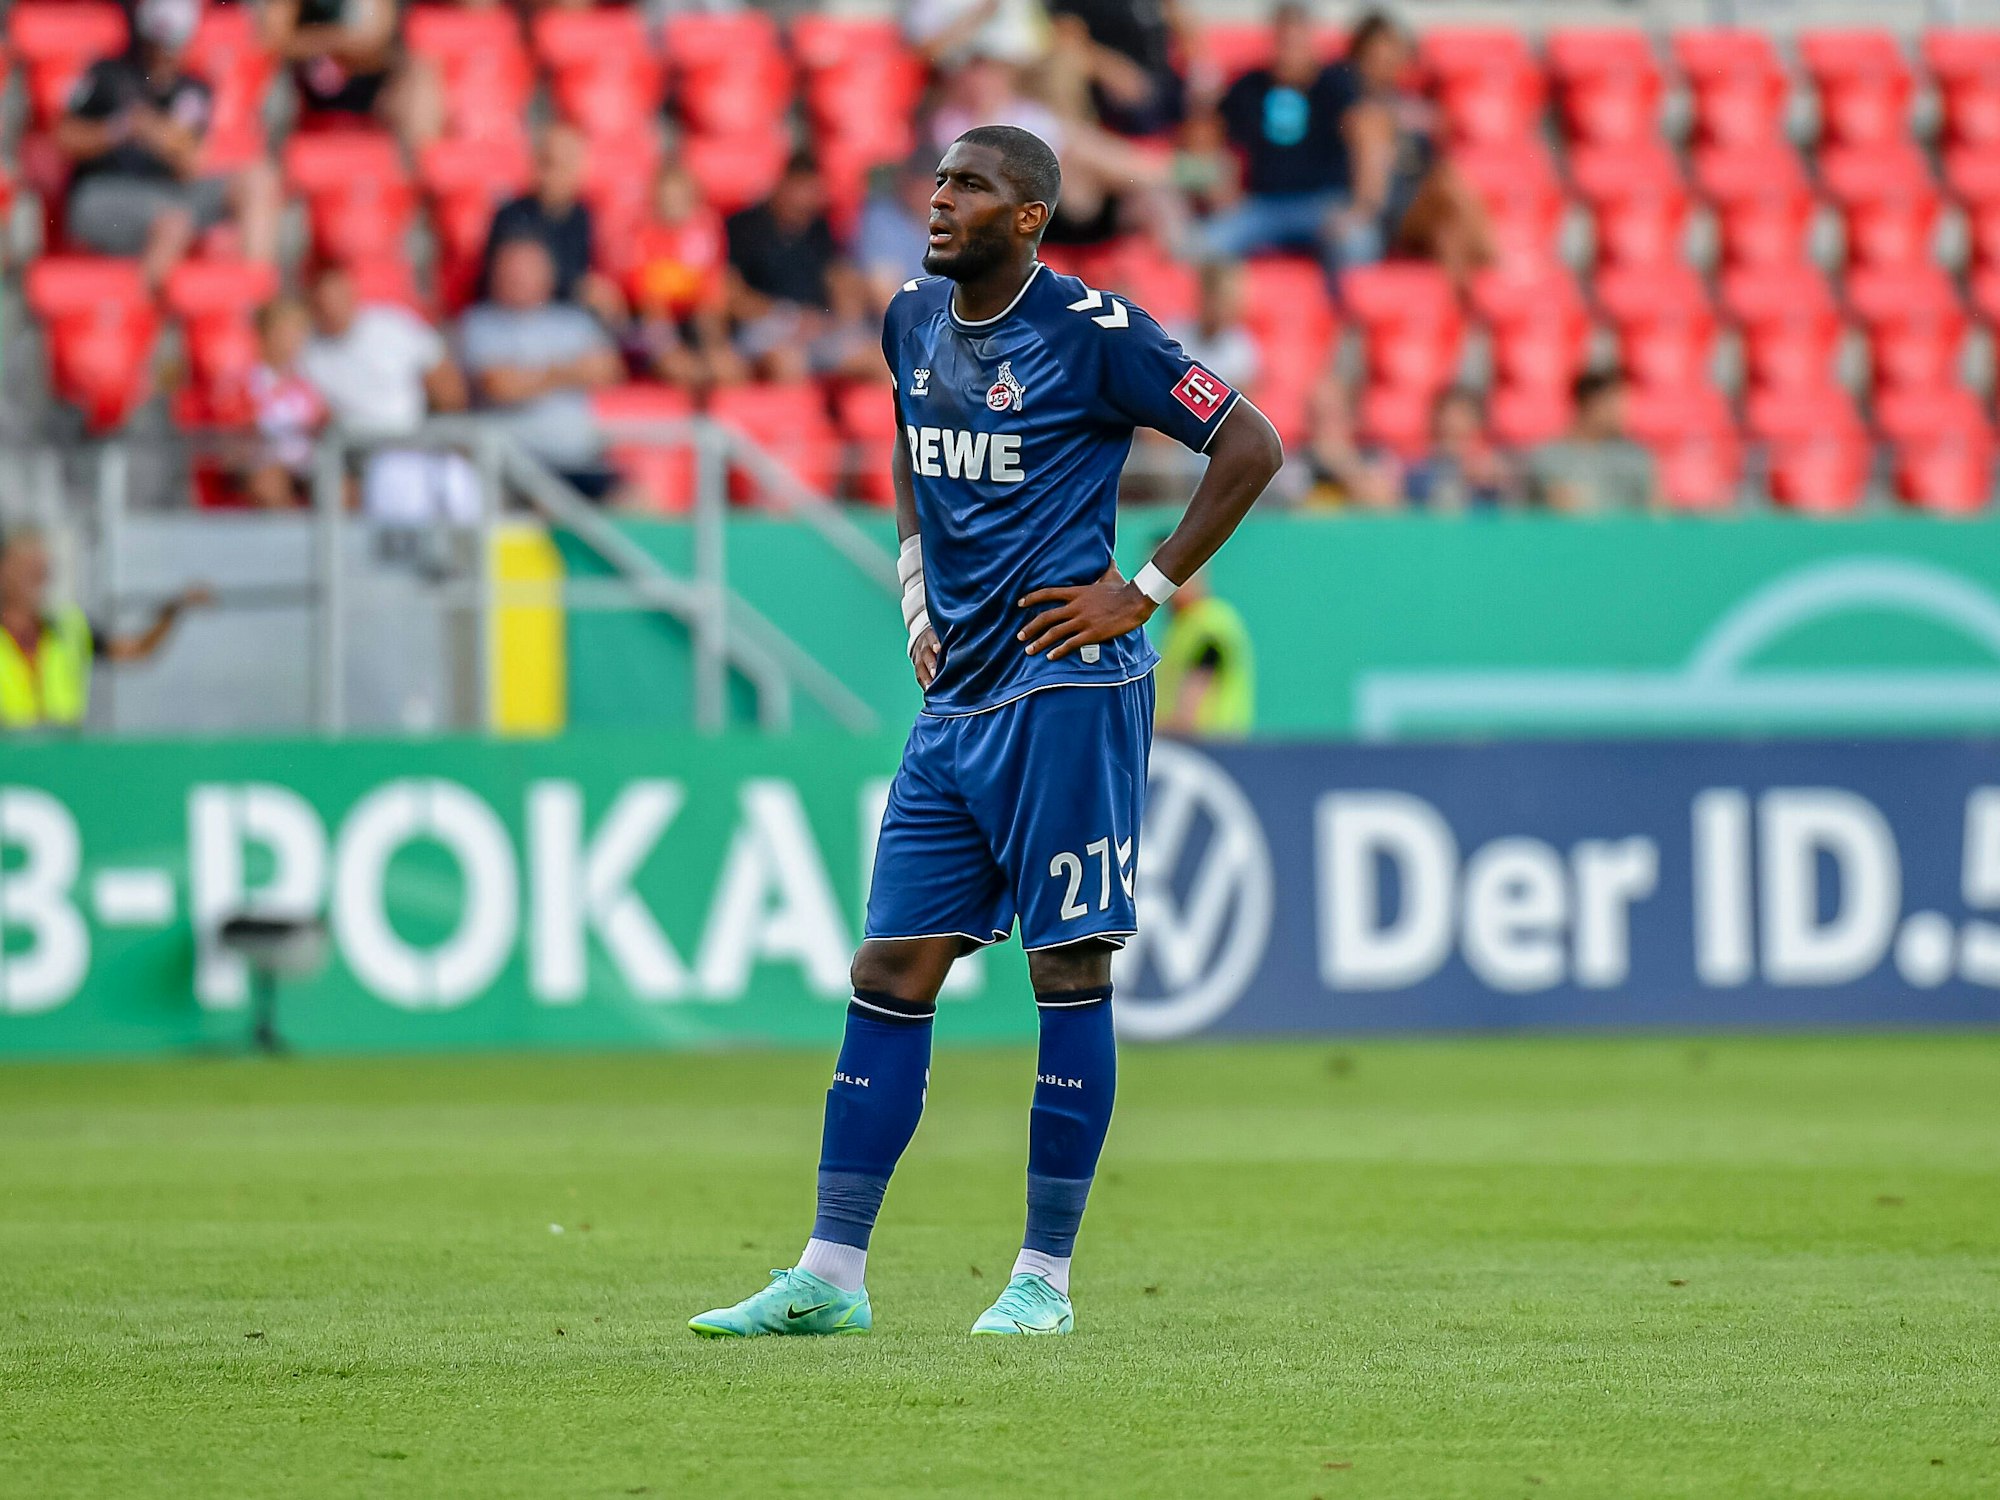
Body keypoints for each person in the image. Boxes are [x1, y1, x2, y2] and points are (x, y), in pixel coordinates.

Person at [689, 125, 1283, 1341]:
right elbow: (912, 449)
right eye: (940, 178)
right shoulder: (910, 318)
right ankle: (830, 1276)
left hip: (1067, 690)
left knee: (1067, 973)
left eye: (970, 186)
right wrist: (914, 591)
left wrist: (1143, 586)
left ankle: (1042, 1283)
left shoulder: (1095, 335)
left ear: (1027, 218)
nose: (939, 198)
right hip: (956, 697)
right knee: (889, 971)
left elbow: (1250, 444)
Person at [58, 0, 281, 289]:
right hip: (103, 193)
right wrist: (118, 130)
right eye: (157, 42)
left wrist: (153, 132)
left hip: (168, 191)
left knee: (258, 179)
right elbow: (63, 137)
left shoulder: (194, 89)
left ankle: (253, 293)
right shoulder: (106, 74)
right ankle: (137, 315)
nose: (163, 53)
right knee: (172, 224)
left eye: (171, 43)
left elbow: (191, 163)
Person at [1200, 2, 1376, 280]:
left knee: (1356, 242)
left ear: (1311, 40)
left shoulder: (1337, 84)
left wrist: (1361, 208)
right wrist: (1222, 190)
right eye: (1283, 42)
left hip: (1324, 204)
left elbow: (1368, 142)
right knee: (1202, 246)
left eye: (1297, 42)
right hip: (1262, 205)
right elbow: (1213, 138)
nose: (1289, 52)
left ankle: (1349, 320)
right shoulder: (1249, 86)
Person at [298, 261, 478, 524]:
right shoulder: (306, 353)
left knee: (458, 479)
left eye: (339, 297)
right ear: (312, 305)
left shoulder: (393, 325)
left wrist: (448, 429)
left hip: (419, 442)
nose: (333, 309)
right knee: (394, 480)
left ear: (352, 295)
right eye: (324, 302)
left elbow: (444, 379)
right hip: (361, 456)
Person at [1338, 11, 1492, 292]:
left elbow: (1437, 152)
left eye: (1392, 54)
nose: (1387, 63)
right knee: (1447, 185)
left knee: (1449, 235)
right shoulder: (1353, 106)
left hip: (1425, 210)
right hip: (1393, 210)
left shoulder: (1413, 104)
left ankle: (1463, 309)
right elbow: (1372, 184)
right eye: (1378, 55)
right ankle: (1495, 265)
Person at [458, 237, 623, 497]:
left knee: (642, 502)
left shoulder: (574, 321)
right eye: (511, 270)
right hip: (513, 467)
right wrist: (569, 372)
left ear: (548, 275)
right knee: (548, 509)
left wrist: (534, 376)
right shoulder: (478, 323)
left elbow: (608, 370)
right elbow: (500, 386)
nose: (518, 278)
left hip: (578, 462)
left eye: (527, 270)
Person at [0, 529, 209, 730]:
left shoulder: (70, 626)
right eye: (28, 571)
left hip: (62, 758)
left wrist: (173, 609)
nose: (39, 581)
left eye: (43, 572)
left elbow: (137, 650)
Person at [724, 153, 879, 382]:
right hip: (765, 325)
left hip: (817, 326)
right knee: (789, 363)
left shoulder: (819, 228)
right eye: (801, 190)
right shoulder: (743, 227)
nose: (806, 201)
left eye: (814, 192)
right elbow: (731, 295)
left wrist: (844, 314)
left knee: (876, 357)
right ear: (784, 185)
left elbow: (838, 277)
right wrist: (789, 317)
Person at [619, 158, 741, 389]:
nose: (671, 203)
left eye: (678, 196)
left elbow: (711, 291)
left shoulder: (705, 230)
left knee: (726, 367)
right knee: (677, 365)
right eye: (665, 196)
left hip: (694, 318)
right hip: (655, 324)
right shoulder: (640, 234)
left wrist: (715, 348)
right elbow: (649, 302)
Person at [478, 123, 620, 321]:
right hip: (514, 319)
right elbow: (517, 283)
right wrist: (577, 288)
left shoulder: (584, 216)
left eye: (564, 164)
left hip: (566, 319)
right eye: (548, 162)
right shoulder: (512, 216)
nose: (554, 173)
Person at [260, 0, 440, 149]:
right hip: (300, 95)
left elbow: (375, 43)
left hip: (365, 92)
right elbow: (276, 38)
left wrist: (317, 41)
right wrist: (339, 43)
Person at [1524, 369, 1659, 514]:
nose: (1623, 414)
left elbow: (1656, 512)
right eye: (1614, 405)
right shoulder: (1547, 458)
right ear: (1590, 404)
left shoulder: (1636, 457)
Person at [241, 297, 326, 508]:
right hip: (261, 468)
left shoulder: (307, 384)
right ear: (266, 334)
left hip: (303, 470)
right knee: (270, 484)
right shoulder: (248, 383)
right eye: (285, 332)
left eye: (298, 332)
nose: (293, 340)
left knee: (342, 489)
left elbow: (321, 426)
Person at [1154, 565, 1255, 738]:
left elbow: (1188, 715)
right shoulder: (1181, 626)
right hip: (1196, 749)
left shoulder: (1209, 626)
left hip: (1212, 748)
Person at [1404, 386, 1511, 511]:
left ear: (1478, 421)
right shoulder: (1418, 461)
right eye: (1448, 414)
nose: (1453, 422)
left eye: (1462, 414)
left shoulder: (1491, 465)